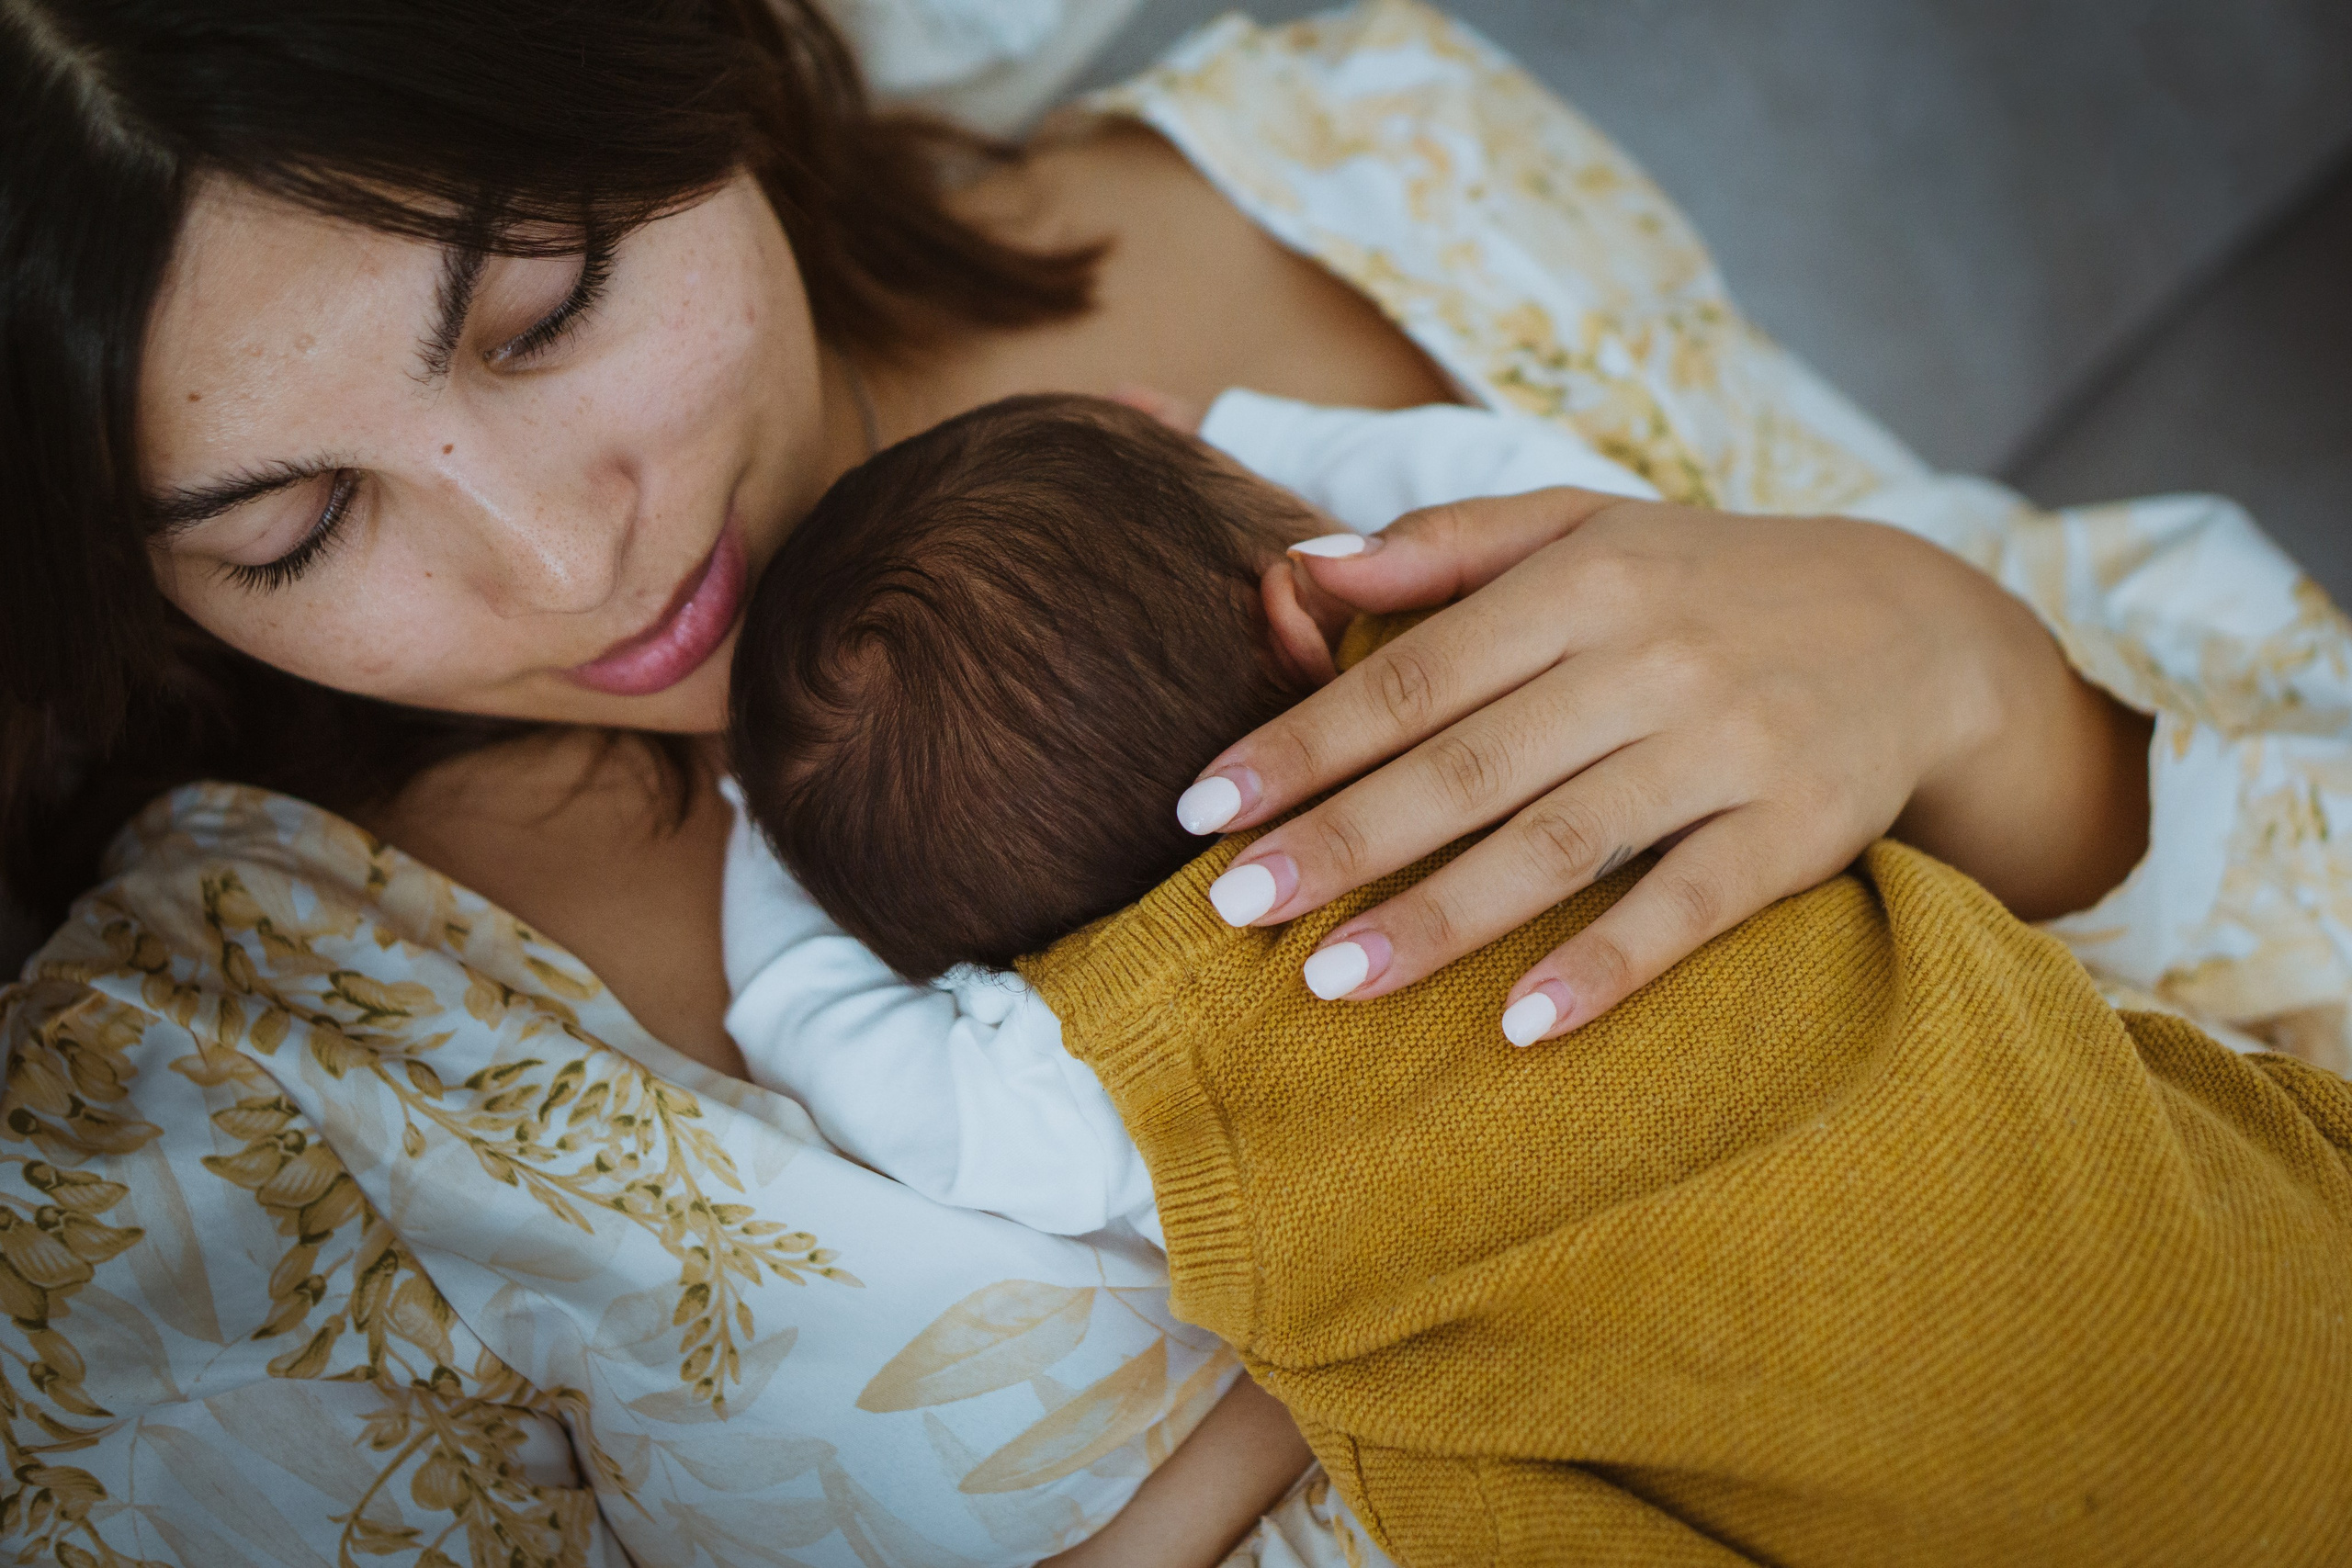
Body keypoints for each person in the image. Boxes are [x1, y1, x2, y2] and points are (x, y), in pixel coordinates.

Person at [3, 0, 2346, 1562]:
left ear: (685, 67)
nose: (560, 553)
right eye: (293, 525)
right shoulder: (203, 1104)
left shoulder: (1346, 184)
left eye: (540, 305)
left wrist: (1970, 688)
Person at [722, 388, 1657, 1246]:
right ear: (1295, 614)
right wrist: (1232, 436)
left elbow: (802, 1012)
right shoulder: (1546, 675)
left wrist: (767, 815)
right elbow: (1568, 520)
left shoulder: (1102, 1089)